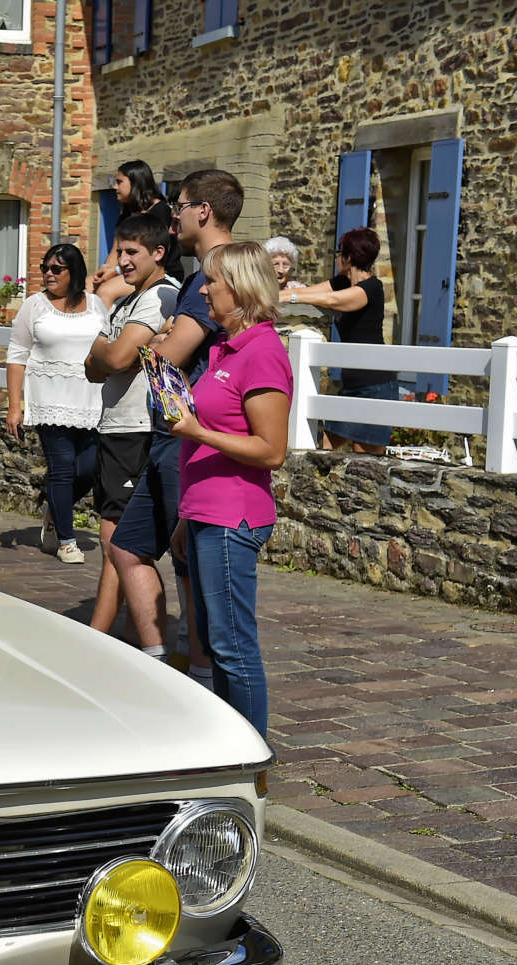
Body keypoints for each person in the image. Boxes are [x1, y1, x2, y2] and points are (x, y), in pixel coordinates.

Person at [108, 168, 242, 684]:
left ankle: (201, 677)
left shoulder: (217, 272)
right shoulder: (205, 272)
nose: (172, 218)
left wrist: (149, 345)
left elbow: (168, 357)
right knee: (128, 545)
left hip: (192, 434)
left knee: (192, 564)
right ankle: (162, 664)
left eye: (179, 207)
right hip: (173, 437)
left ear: (202, 211)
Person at [169, 242, 291, 740]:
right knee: (214, 640)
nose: (203, 290)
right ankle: (228, 742)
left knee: (231, 643)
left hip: (232, 516)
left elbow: (270, 450)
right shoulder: (224, 346)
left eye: (211, 282)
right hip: (204, 511)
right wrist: (185, 515)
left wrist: (195, 431)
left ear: (239, 288)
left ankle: (250, 751)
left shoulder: (261, 352)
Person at [84, 213, 176, 639]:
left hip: (138, 427)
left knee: (119, 540)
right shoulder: (124, 302)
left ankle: (124, 636)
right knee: (112, 538)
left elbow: (115, 358)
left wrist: (110, 351)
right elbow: (92, 366)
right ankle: (105, 634)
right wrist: (111, 350)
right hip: (114, 425)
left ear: (158, 252)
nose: (121, 260)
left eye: (131, 252)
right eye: (119, 251)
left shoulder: (162, 297)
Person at [5, 243, 105, 565]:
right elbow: (16, 356)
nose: (48, 274)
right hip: (49, 400)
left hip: (91, 400)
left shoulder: (96, 305)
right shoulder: (34, 306)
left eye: (56, 269)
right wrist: (14, 406)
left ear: (74, 272)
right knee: (62, 469)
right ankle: (66, 540)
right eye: (45, 268)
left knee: (89, 469)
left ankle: (54, 507)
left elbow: (107, 346)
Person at [287, 227, 394, 454]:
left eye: (339, 253)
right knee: (325, 447)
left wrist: (294, 295)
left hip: (375, 385)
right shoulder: (342, 282)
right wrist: (275, 295)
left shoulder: (372, 288)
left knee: (365, 455)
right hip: (353, 385)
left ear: (348, 257)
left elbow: (331, 300)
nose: (337, 258)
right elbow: (314, 292)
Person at [91, 160, 184, 301]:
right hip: (131, 272)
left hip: (163, 275)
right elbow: (114, 252)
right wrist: (104, 271)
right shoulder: (126, 215)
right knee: (88, 285)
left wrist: (115, 271)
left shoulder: (161, 212)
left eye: (119, 182)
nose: (115, 187)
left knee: (106, 291)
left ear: (135, 182)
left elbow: (154, 259)